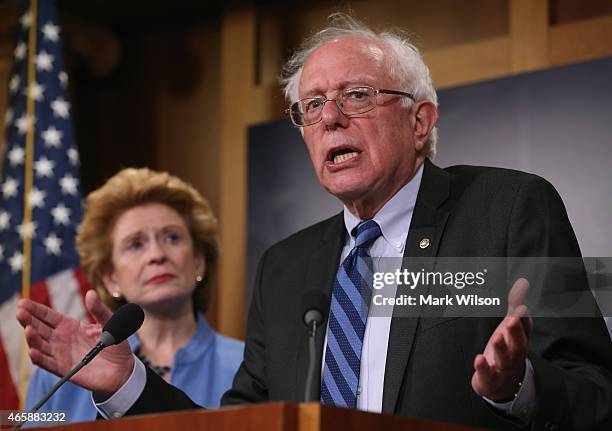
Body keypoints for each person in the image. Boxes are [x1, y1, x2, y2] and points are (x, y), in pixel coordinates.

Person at [17, 14, 612, 430]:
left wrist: (518, 387)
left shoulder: (511, 208)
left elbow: (595, 392)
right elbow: (240, 428)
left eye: (356, 96)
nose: (330, 119)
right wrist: (127, 384)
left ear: (420, 122)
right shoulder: (286, 266)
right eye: (311, 107)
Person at [23, 168, 243, 425]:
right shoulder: (61, 375)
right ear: (111, 277)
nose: (157, 255)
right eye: (136, 244)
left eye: (171, 237)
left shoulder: (248, 367)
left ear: (198, 262)